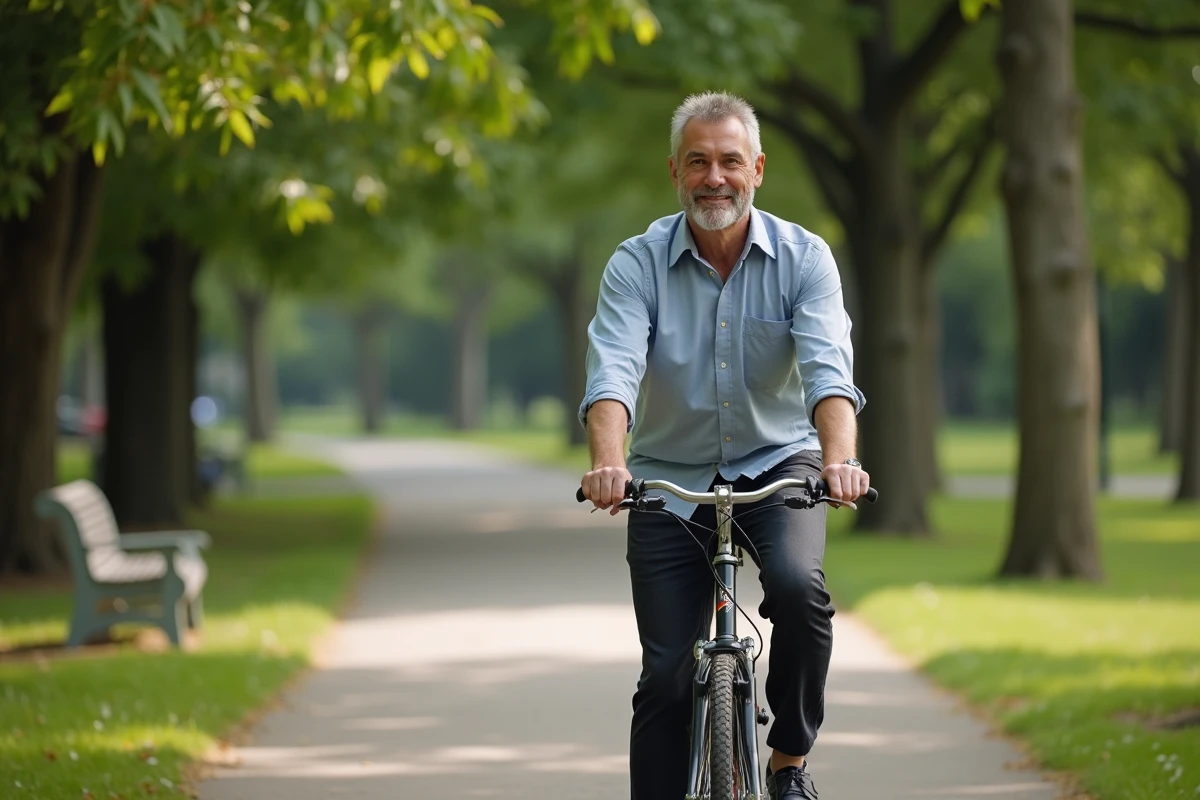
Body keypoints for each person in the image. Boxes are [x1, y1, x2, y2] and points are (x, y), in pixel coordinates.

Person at [577, 92, 870, 800]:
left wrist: (838, 461)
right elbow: (613, 370)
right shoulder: (636, 263)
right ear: (675, 172)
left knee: (801, 593)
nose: (716, 178)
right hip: (667, 481)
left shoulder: (804, 258)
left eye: (730, 161)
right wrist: (609, 464)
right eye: (699, 162)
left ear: (757, 169)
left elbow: (829, 371)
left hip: (779, 464)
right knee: (669, 672)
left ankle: (789, 760)